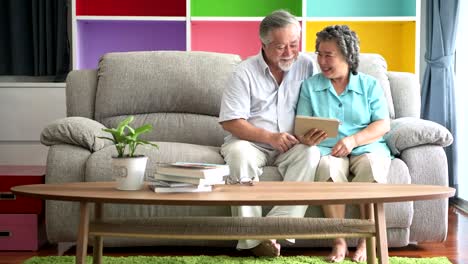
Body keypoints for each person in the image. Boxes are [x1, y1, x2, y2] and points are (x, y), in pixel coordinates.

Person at [218, 10, 324, 257]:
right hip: (251, 143)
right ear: (263, 45)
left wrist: (310, 134)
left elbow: (321, 104)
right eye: (280, 47)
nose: (289, 53)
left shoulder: (308, 65)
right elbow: (231, 122)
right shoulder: (244, 72)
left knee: (311, 154)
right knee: (238, 154)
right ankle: (252, 241)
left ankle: (270, 230)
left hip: (292, 143)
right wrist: (269, 137)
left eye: (294, 45)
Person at [296, 25, 392, 263]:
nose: (321, 60)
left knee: (370, 165)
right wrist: (305, 138)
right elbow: (301, 127)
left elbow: (382, 124)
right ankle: (338, 241)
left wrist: (353, 140)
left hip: (366, 145)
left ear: (348, 56)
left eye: (329, 55)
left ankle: (365, 240)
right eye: (319, 53)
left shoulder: (370, 85)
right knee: (327, 168)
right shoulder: (310, 86)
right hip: (328, 148)